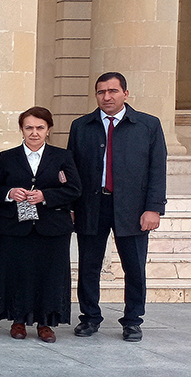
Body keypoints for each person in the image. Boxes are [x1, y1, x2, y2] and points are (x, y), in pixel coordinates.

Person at [68, 72, 168, 342]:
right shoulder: (81, 126)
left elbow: (157, 169)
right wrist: (72, 205)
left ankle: (133, 321)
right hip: (91, 205)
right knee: (89, 266)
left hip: (133, 208)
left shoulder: (148, 125)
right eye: (101, 92)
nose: (106, 97)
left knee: (134, 267)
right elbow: (73, 171)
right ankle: (89, 318)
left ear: (125, 93)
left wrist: (154, 208)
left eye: (112, 91)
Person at [0, 107, 82, 342]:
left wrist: (46, 196)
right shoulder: (8, 157)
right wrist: (10, 192)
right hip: (15, 227)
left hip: (51, 227)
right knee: (16, 273)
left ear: (48, 130)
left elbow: (74, 189)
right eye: (29, 127)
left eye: (40, 127)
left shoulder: (62, 157)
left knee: (49, 274)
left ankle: (46, 323)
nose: (34, 133)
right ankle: (17, 321)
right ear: (21, 129)